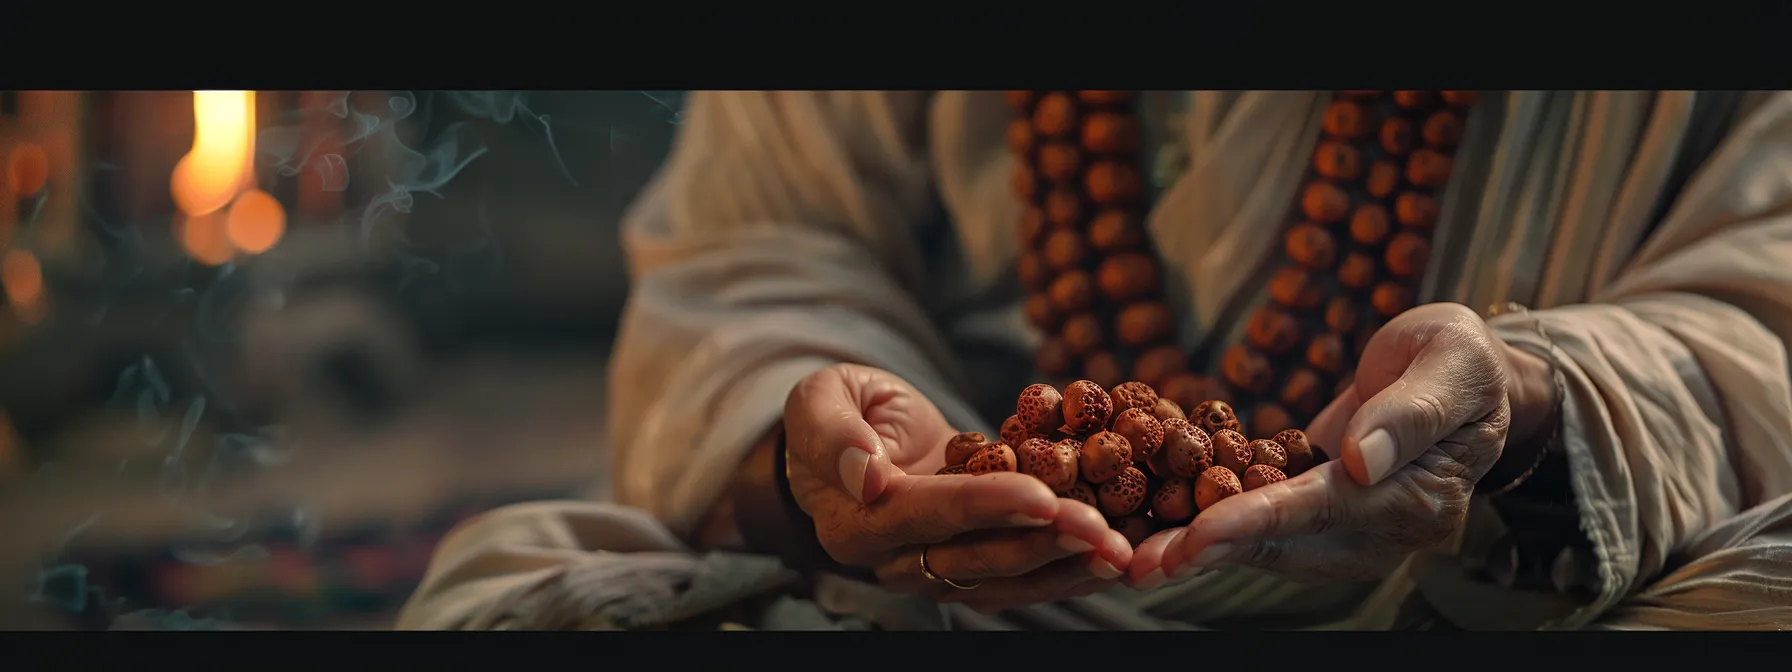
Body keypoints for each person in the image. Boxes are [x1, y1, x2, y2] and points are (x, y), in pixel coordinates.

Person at [396, 91, 1792, 631]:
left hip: (1482, 592)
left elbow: (1765, 310)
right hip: (976, 600)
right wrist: (837, 463)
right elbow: (759, 245)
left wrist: (1534, 407)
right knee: (507, 589)